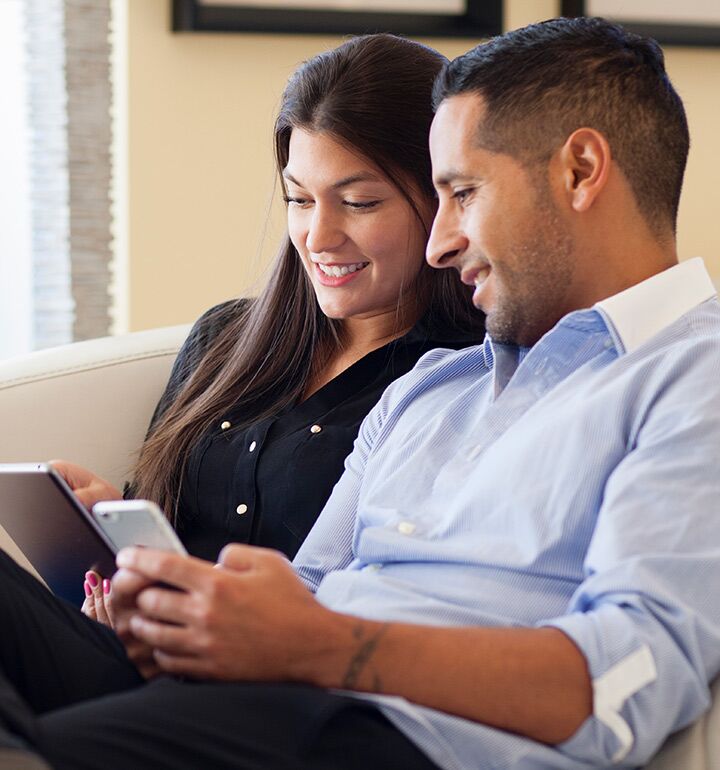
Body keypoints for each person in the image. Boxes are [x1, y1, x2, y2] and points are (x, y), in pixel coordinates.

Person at [1, 15, 720, 770]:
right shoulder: (435, 387)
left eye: (463, 193)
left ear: (579, 171)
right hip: (273, 704)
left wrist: (323, 645)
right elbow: (302, 595)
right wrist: (188, 613)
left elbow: (625, 684)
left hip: (399, 739)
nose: (440, 242)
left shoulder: (688, 377)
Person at [52, 33, 483, 619]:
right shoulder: (224, 339)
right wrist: (108, 530)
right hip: (128, 649)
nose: (318, 237)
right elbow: (158, 530)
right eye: (299, 199)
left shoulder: (461, 380)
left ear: (444, 200)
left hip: (258, 689)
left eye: (357, 202)